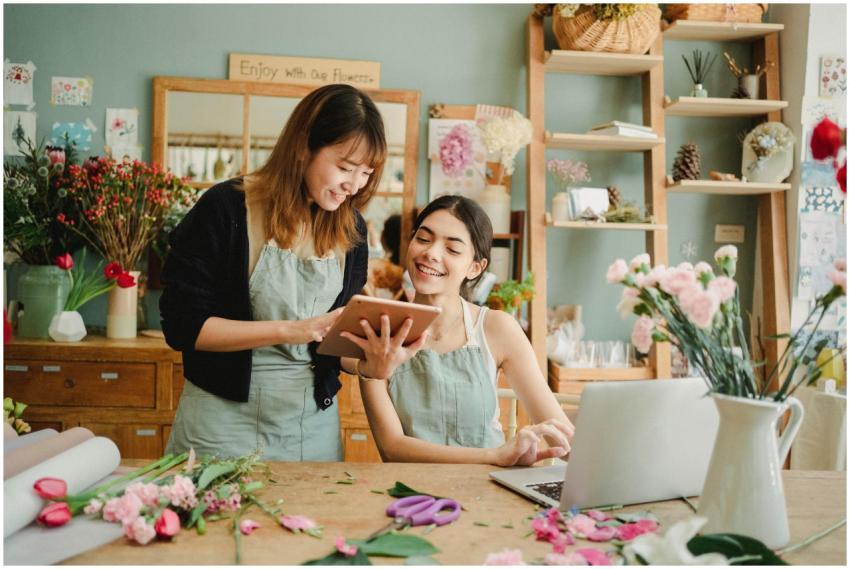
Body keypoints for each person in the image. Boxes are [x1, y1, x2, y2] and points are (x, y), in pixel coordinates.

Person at [159, 83, 387, 461]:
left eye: (365, 172)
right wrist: (290, 330)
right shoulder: (225, 208)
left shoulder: (352, 229)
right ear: (302, 146)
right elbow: (183, 326)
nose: (354, 184)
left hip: (310, 426)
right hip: (220, 422)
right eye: (345, 167)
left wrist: (370, 360)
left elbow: (335, 346)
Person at [341, 195, 575, 466]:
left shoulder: (497, 328)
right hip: (411, 498)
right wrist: (495, 455)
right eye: (424, 239)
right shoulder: (378, 329)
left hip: (489, 492)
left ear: (475, 267)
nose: (431, 253)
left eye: (452, 249)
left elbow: (562, 436)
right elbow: (392, 447)